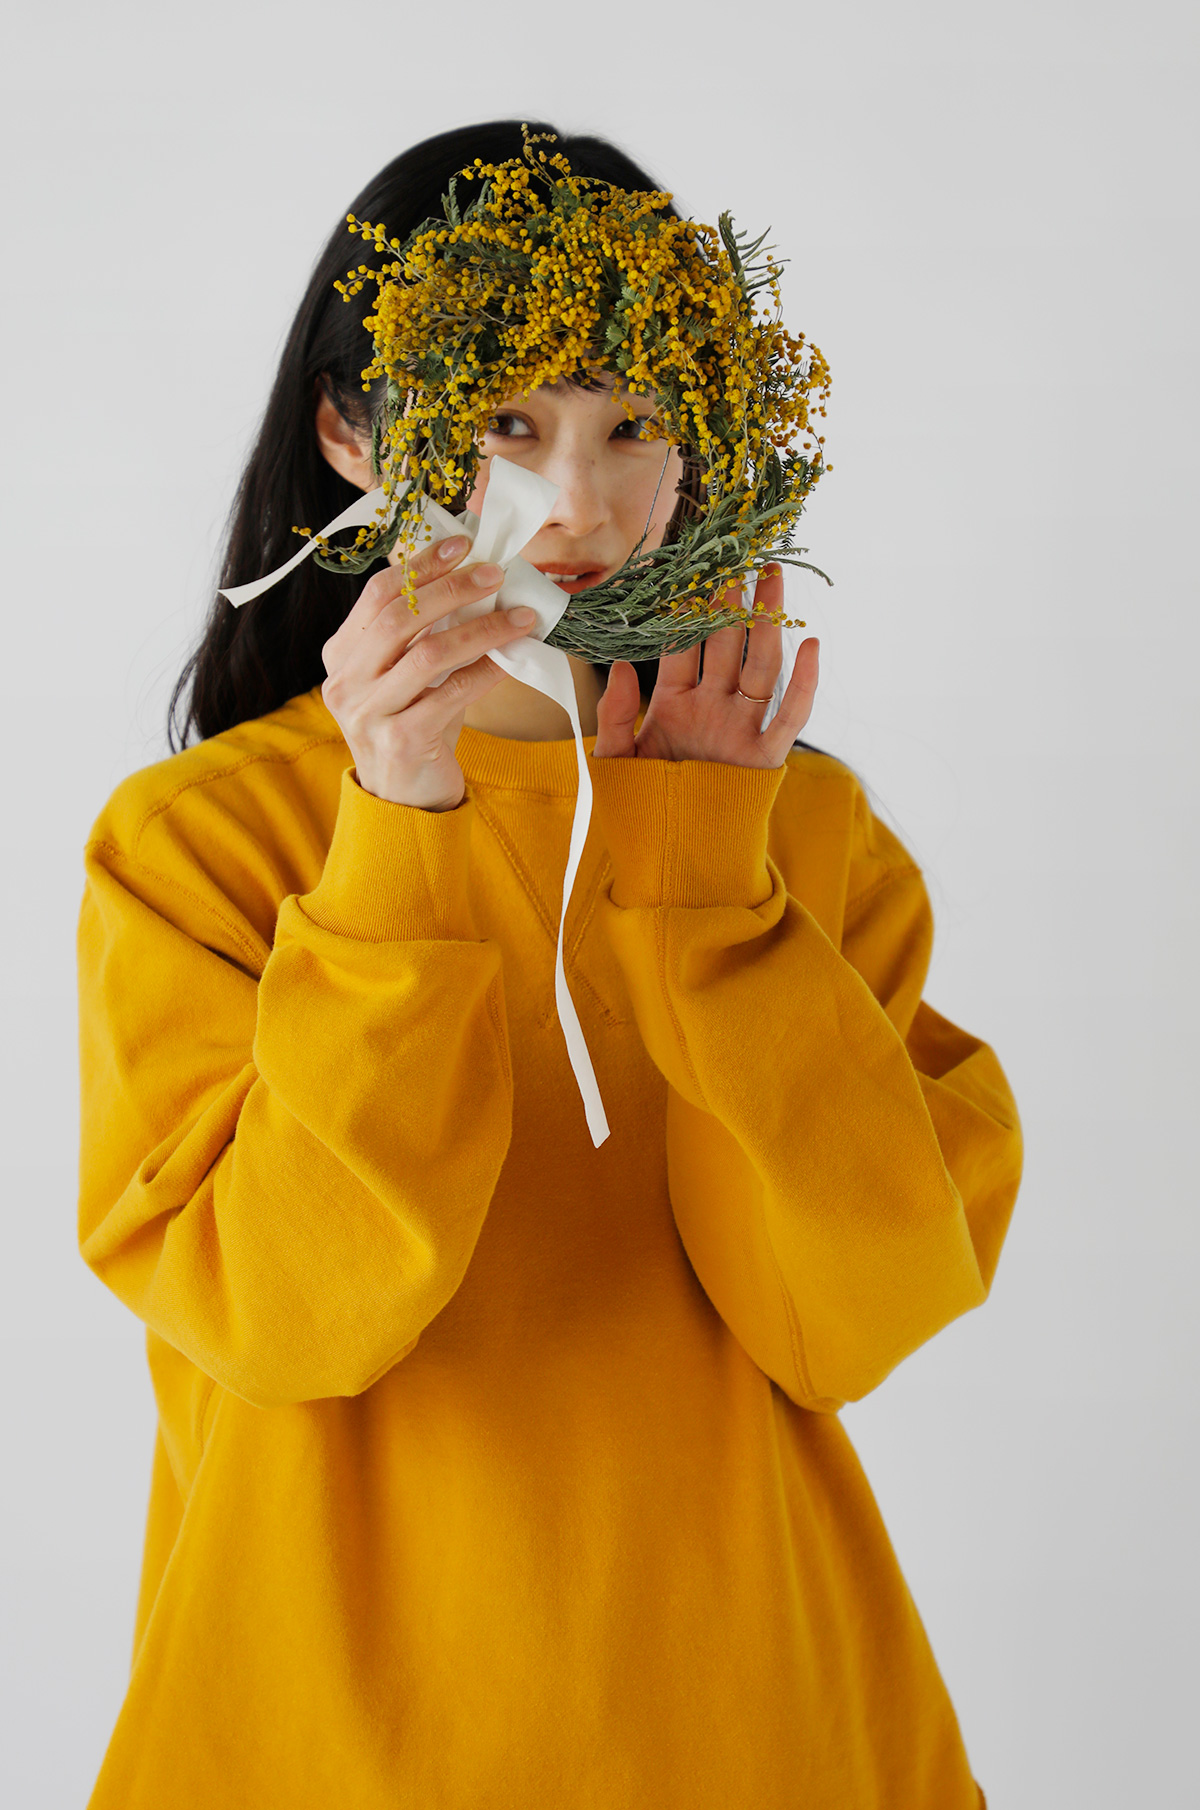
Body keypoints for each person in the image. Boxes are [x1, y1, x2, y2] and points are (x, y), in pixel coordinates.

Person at [76, 118, 1023, 1809]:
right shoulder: (202, 846)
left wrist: (712, 890)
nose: (577, 504)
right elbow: (286, 1321)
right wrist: (397, 825)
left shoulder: (804, 840)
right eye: (505, 423)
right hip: (314, 1749)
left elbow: (853, 1319)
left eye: (634, 423)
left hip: (765, 1733)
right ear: (352, 434)